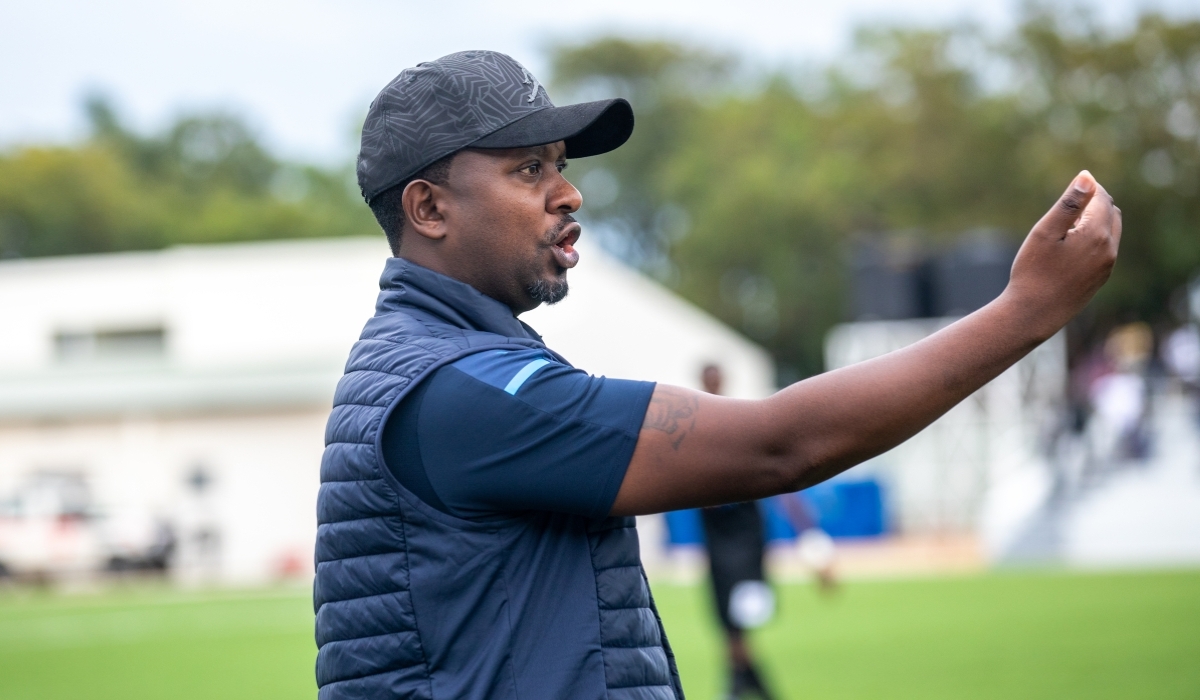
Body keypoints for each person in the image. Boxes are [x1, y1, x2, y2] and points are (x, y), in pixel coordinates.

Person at [313, 50, 1122, 700]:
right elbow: (780, 446)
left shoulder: (453, 367)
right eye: (529, 170)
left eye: (559, 164)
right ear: (428, 209)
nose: (570, 193)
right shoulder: (459, 391)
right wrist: (1028, 311)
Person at [697, 364, 777, 700]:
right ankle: (748, 682)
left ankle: (742, 683)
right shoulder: (694, 427)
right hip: (717, 540)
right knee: (726, 619)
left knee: (739, 616)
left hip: (744, 539)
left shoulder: (737, 420)